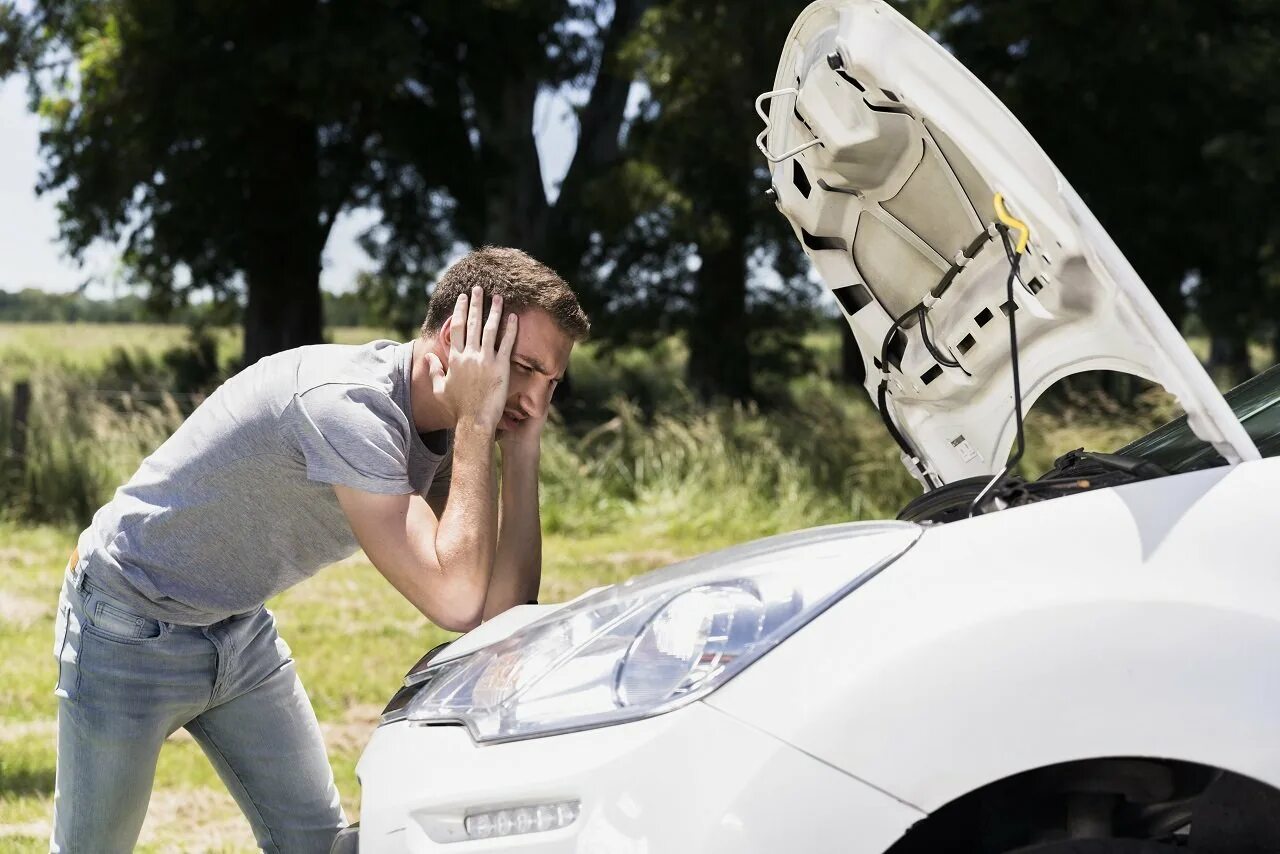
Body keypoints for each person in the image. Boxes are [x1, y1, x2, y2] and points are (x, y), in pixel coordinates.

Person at [49, 246, 589, 853]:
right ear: (458, 339)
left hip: (237, 625)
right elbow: (457, 600)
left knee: (316, 846)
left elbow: (497, 619)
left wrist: (520, 449)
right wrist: (477, 425)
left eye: (551, 382)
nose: (536, 401)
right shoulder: (348, 407)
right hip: (126, 618)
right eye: (522, 367)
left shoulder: (440, 426)